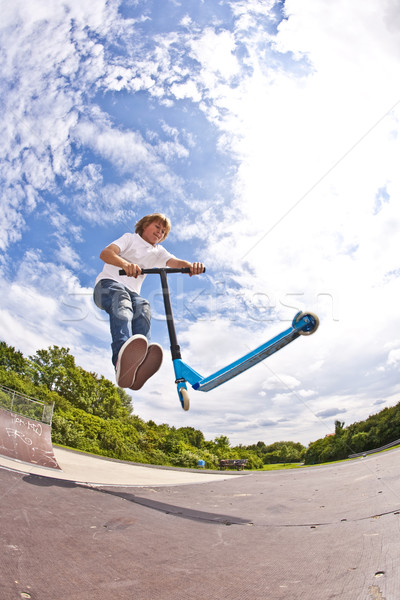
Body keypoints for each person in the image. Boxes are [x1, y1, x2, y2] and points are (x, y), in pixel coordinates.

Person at [94, 213, 204, 390]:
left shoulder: (158, 251)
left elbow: (175, 262)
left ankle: (138, 364)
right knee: (123, 303)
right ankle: (121, 359)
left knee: (143, 307)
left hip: (133, 293)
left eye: (163, 231)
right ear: (145, 226)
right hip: (108, 285)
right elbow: (106, 253)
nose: (160, 232)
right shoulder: (130, 239)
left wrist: (190, 266)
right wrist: (124, 264)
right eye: (157, 227)